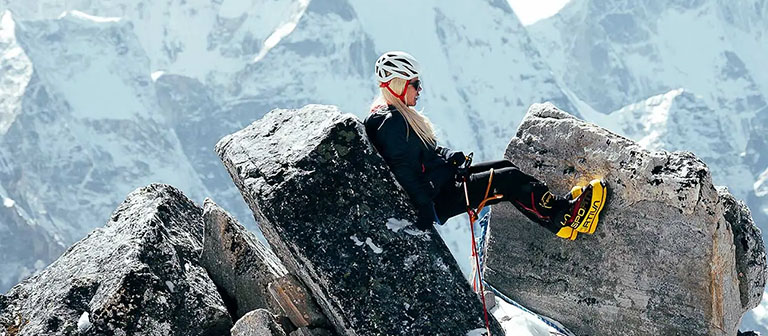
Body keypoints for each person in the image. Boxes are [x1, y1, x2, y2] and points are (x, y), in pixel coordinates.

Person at [363, 51, 605, 240]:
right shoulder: (391, 123)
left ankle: (555, 215)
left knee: (505, 166)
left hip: (442, 184)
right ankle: (565, 217)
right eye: (415, 84)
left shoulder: (396, 115)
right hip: (437, 197)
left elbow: (427, 151)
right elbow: (404, 171)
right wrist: (426, 208)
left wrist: (451, 156)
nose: (420, 89)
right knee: (506, 179)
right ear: (399, 85)